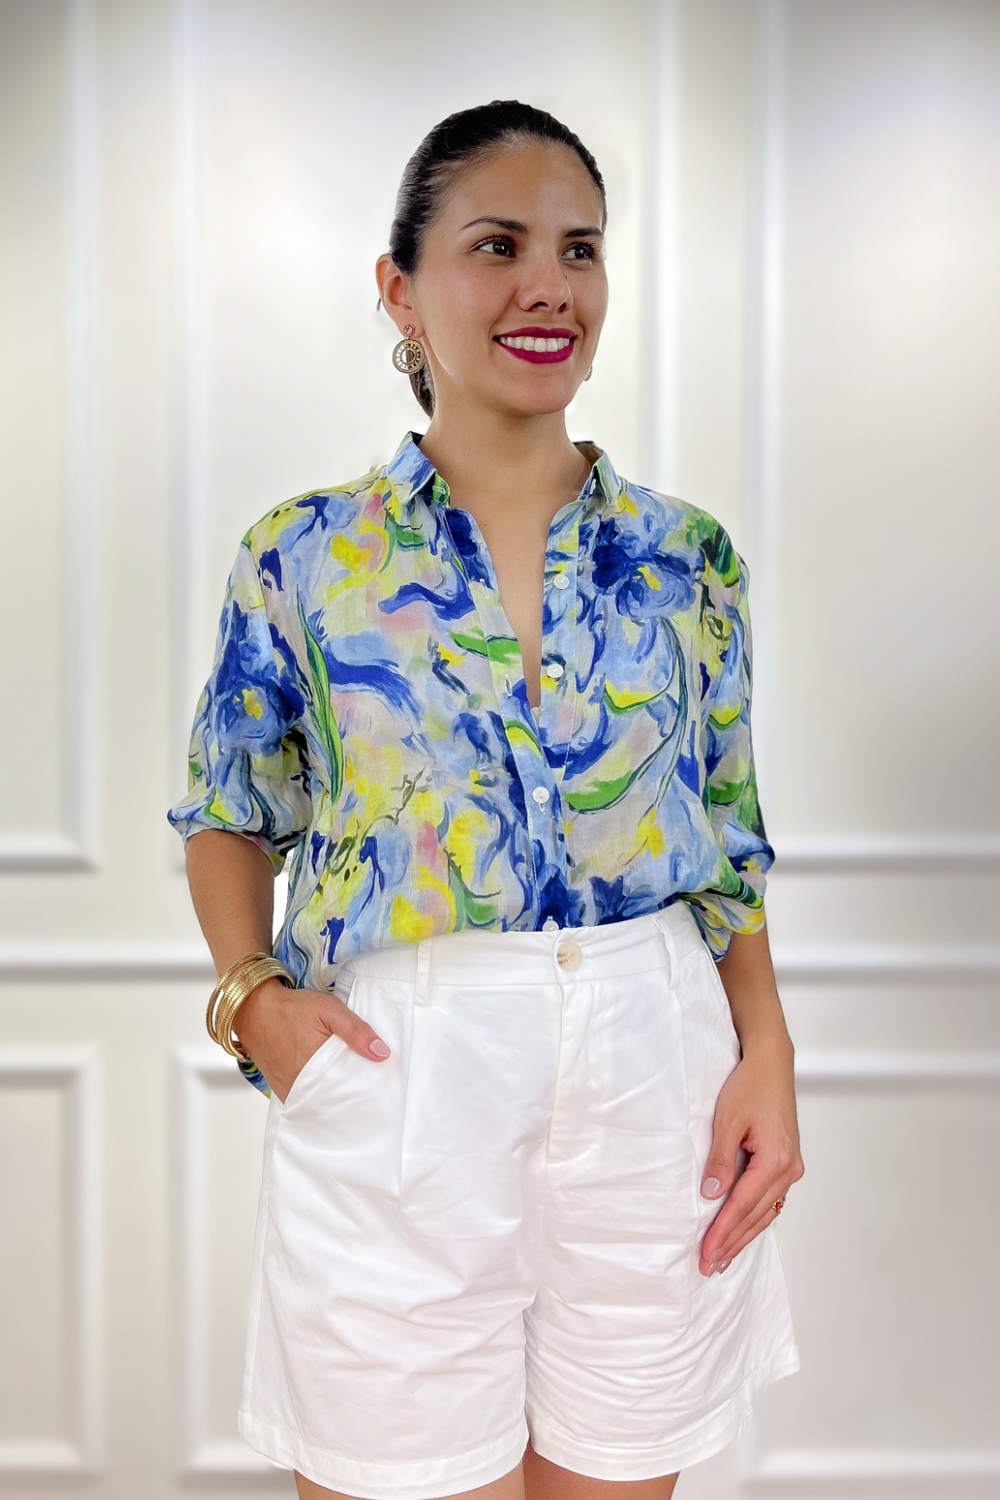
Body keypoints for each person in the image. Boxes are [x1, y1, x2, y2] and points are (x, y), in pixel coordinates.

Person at [167, 98, 803, 1500]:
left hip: (655, 1063)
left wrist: (769, 1052)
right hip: (403, 1068)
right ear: (401, 289)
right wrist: (249, 997)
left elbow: (728, 835)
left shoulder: (686, 558)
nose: (548, 287)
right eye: (497, 245)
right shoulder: (305, 555)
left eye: (580, 250)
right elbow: (228, 806)